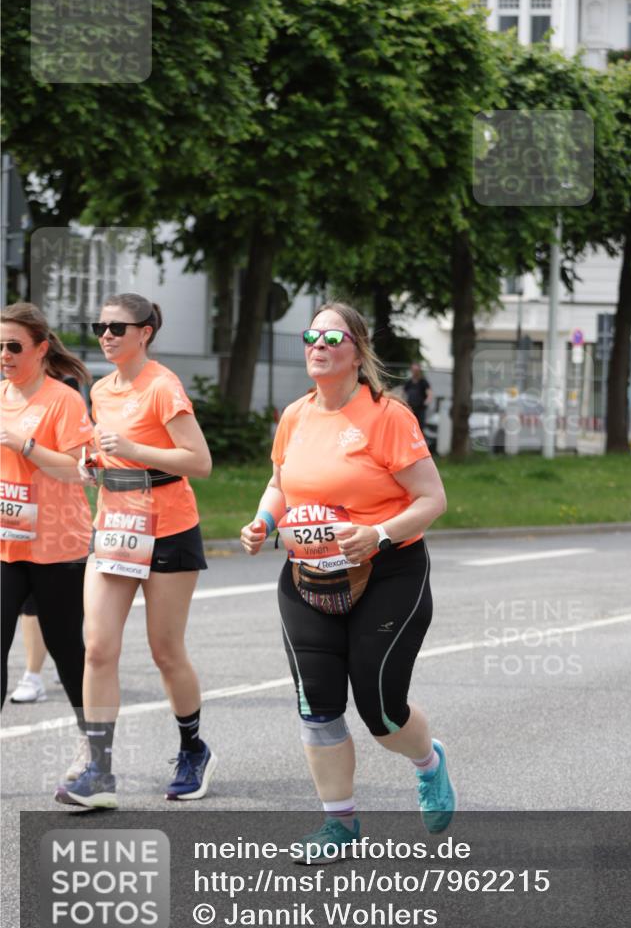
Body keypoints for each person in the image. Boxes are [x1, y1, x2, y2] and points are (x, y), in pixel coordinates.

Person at [240, 302, 454, 860]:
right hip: (308, 573)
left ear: (357, 352)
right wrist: (263, 520)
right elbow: (280, 484)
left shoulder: (387, 417)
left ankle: (427, 760)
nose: (318, 344)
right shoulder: (296, 416)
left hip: (388, 571)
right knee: (317, 703)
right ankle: (340, 825)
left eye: (332, 337)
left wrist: (379, 533)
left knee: (381, 709)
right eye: (311, 336)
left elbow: (432, 499)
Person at [55, 292, 215, 810]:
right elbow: (106, 453)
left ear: (145, 332)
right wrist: (92, 467)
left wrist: (133, 450)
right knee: (98, 647)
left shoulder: (162, 387)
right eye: (100, 326)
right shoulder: (100, 390)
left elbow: (199, 461)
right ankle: (99, 770)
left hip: (167, 528)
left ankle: (194, 749)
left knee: (166, 652)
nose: (106, 335)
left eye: (117, 328)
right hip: (116, 525)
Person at [1, 301, 93, 779]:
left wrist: (25, 445)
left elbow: (80, 471)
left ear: (40, 348)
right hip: (7, 543)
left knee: (66, 649)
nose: (4, 355)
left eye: (13, 346)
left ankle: (91, 743)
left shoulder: (64, 400)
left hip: (58, 545)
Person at [403, 362, 432, 432]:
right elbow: (403, 393)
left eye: (416, 370)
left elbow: (429, 394)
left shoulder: (423, 382)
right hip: (410, 409)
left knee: (420, 428)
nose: (414, 372)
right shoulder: (409, 382)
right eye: (413, 370)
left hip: (420, 410)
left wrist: (426, 402)